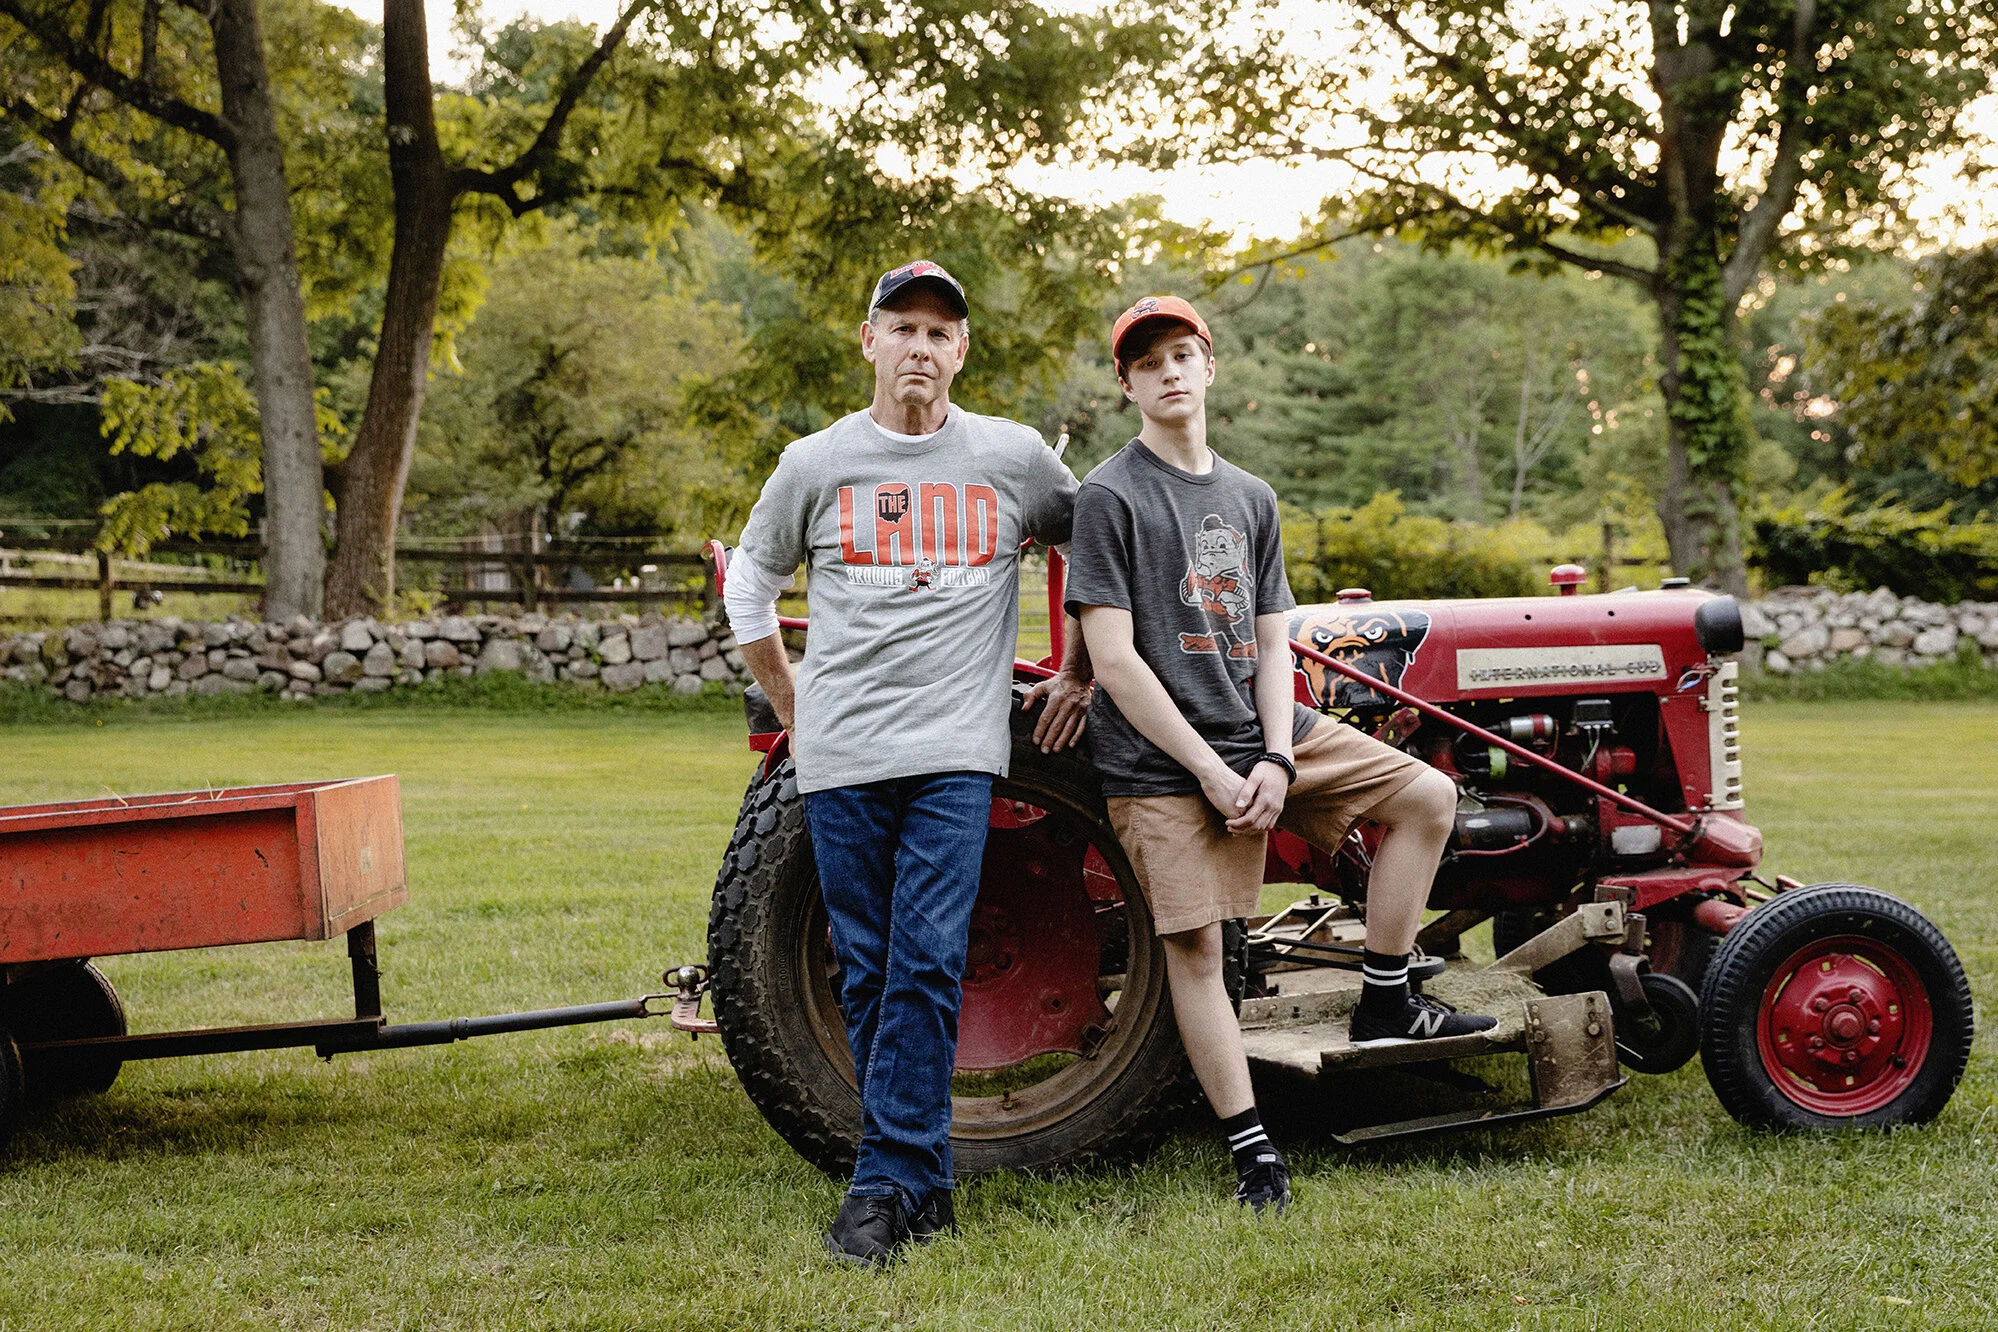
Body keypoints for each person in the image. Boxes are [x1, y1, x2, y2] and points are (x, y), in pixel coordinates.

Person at [1064, 296, 1494, 1217]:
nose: (1169, 372)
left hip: (1262, 733)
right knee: (1198, 949)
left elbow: (1269, 644)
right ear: (1127, 384)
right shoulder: (1109, 496)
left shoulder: (1251, 497)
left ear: (1209, 367)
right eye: (1148, 363)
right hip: (1160, 758)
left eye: (1183, 355)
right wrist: (1213, 773)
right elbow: (1114, 660)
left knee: (1427, 797)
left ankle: (1387, 995)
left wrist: (1274, 758)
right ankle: (1253, 1149)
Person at [724, 259, 1093, 1267]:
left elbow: (1095, 545)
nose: (920, 347)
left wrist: (1077, 668)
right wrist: (792, 703)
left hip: (954, 752)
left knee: (928, 960)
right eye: (903, 328)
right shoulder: (816, 463)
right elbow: (749, 584)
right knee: (870, 969)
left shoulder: (1012, 457)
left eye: (938, 332)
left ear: (960, 351)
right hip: (842, 755)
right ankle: (923, 1184)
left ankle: (878, 1188)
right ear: (869, 341)